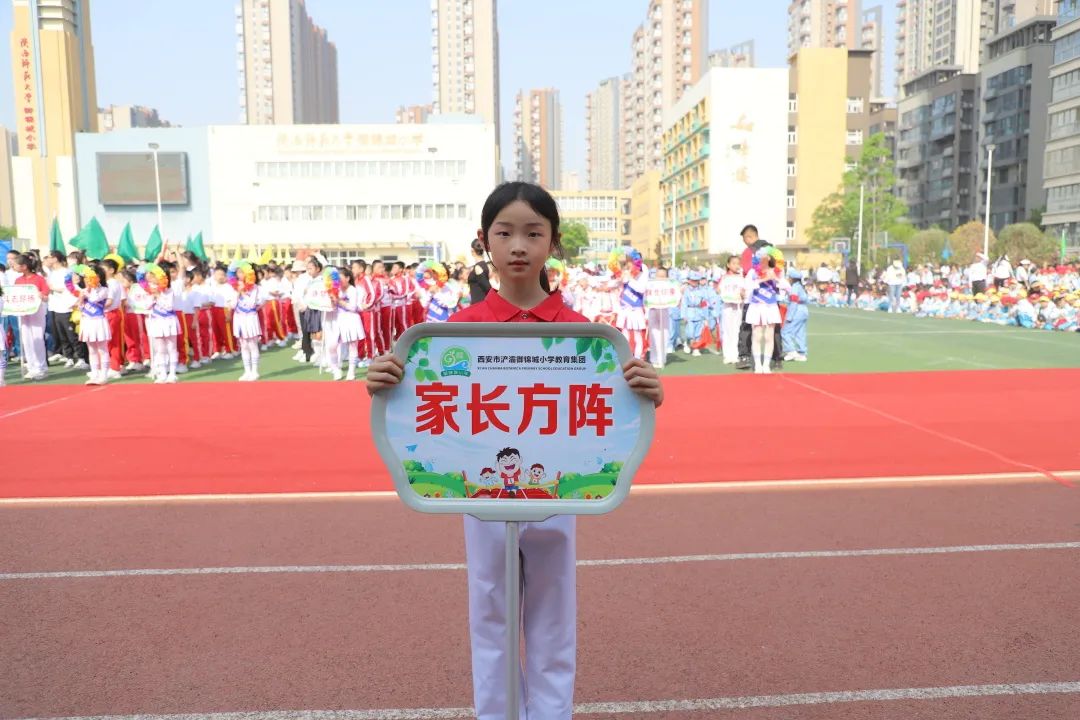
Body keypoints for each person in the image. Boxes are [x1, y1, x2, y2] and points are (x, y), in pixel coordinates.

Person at [367, 182, 663, 720]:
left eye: (534, 233)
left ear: (554, 243)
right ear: (485, 242)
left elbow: (616, 413)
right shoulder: (449, 335)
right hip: (482, 496)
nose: (519, 246)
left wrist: (646, 391)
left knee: (553, 618)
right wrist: (387, 379)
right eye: (505, 233)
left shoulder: (588, 338)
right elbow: (419, 408)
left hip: (554, 497)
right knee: (490, 614)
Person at [736, 225, 782, 371]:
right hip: (771, 296)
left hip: (754, 296)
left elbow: (748, 272)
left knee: (748, 327)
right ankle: (776, 358)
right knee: (773, 329)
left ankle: (745, 356)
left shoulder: (749, 252)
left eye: (745, 239)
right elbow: (778, 270)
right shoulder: (772, 250)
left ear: (749, 237)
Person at [745, 248, 783, 374]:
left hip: (770, 306)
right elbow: (747, 286)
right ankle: (757, 364)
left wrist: (776, 279)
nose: (765, 260)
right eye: (762, 257)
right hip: (756, 305)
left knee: (769, 335)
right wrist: (762, 279)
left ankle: (766, 364)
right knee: (757, 335)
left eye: (767, 257)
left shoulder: (776, 271)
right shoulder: (752, 272)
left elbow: (786, 287)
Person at [73, 264, 111, 385]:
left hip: (98, 321)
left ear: (98, 277)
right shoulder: (84, 291)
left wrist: (89, 290)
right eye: (86, 277)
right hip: (87, 321)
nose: (87, 280)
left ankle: (104, 374)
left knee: (102, 349)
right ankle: (95, 373)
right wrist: (81, 298)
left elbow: (95, 299)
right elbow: (80, 306)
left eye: (90, 277)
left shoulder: (104, 290)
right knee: (92, 349)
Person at [14, 253, 49, 380]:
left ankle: (41, 368)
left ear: (24, 266)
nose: (14, 266)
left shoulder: (39, 279)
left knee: (38, 339)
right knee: (27, 340)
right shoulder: (18, 280)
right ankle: (32, 367)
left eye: (16, 264)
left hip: (37, 312)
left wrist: (41, 295)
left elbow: (45, 296)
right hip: (23, 313)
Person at [229, 262, 263, 382]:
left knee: (252, 345)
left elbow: (251, 304)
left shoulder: (254, 287)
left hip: (250, 318)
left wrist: (243, 292)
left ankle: (255, 371)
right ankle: (247, 371)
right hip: (239, 318)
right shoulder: (234, 287)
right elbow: (232, 305)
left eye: (242, 272)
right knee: (243, 345)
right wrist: (237, 293)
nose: (240, 275)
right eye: (238, 272)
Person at [334, 267, 366, 380]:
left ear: (347, 278)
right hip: (338, 319)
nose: (338, 280)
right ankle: (337, 368)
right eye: (336, 278)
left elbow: (353, 307)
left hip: (351, 320)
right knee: (336, 345)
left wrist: (338, 301)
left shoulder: (353, 290)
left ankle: (351, 371)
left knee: (352, 345)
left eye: (340, 278)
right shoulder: (335, 289)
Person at [782, 268, 809, 362]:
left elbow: (794, 302)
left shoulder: (794, 288)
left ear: (791, 278)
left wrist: (789, 316)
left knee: (785, 332)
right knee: (800, 333)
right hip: (804, 311)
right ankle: (802, 353)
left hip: (796, 311)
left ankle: (791, 351)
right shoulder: (800, 287)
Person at [468, 238, 492, 305]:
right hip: (481, 303)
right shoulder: (485, 265)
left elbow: (487, 287)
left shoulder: (478, 267)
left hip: (479, 303)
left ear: (472, 250)